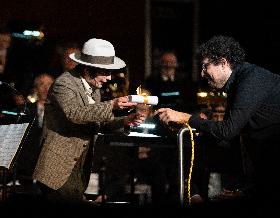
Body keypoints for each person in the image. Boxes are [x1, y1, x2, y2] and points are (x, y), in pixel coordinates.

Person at [154, 35, 280, 207]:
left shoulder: (250, 81)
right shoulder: (239, 82)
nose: (202, 73)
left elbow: (227, 132)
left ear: (223, 62)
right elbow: (227, 137)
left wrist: (186, 117)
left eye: (205, 66)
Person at [32, 38, 145, 205]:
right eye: (104, 72)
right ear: (87, 68)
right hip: (57, 169)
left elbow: (95, 119)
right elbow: (75, 113)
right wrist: (112, 104)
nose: (109, 78)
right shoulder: (64, 83)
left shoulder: (93, 89)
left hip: (79, 167)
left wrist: (124, 121)